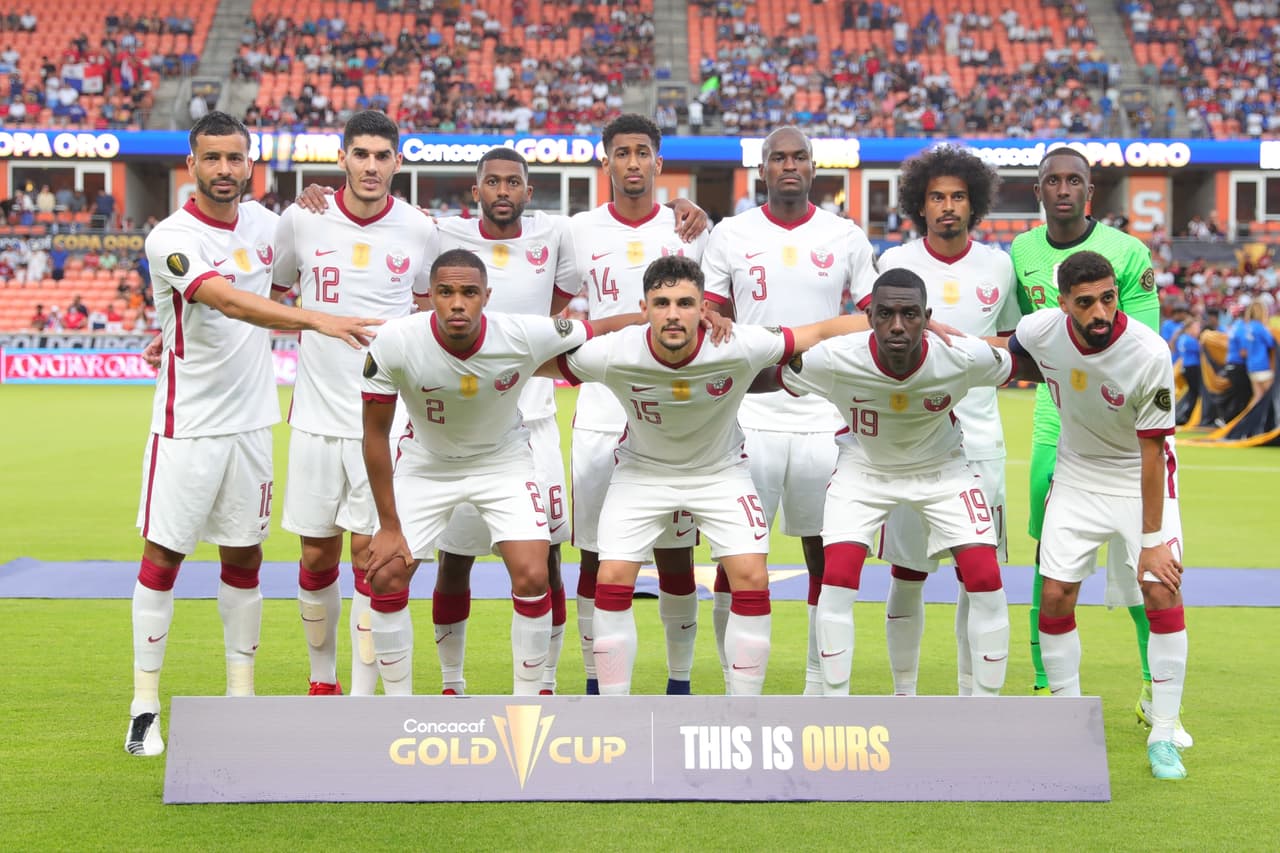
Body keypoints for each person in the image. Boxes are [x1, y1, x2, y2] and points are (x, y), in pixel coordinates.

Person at [126, 111, 380, 757]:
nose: (224, 170)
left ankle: (240, 698)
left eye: (235, 158)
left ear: (250, 164)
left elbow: (294, 264)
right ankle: (144, 705)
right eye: (212, 158)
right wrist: (316, 320)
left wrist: (316, 202)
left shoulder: (271, 225)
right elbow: (230, 300)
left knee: (244, 559)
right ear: (192, 165)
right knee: (164, 560)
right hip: (187, 428)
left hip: (254, 425)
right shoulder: (171, 236)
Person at [550, 255, 868, 695]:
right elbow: (538, 362)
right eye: (661, 303)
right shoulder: (616, 352)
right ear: (644, 309)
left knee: (752, 577)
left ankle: (744, 710)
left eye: (685, 302)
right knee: (612, 578)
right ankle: (613, 711)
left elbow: (820, 332)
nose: (673, 314)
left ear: (705, 309)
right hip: (642, 473)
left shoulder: (738, 343)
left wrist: (910, 326)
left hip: (720, 473)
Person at [359, 249, 617, 696]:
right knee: (385, 573)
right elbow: (375, 436)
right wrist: (388, 526)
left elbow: (601, 327)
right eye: (445, 292)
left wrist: (659, 315)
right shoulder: (394, 341)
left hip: (502, 461)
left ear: (486, 296)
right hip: (427, 464)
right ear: (429, 298)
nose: (457, 303)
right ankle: (398, 706)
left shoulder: (519, 332)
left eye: (469, 292)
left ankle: (529, 700)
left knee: (535, 573)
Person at [773, 267, 1036, 696]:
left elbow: (1029, 368)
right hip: (864, 470)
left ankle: (986, 713)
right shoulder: (836, 357)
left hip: (944, 469)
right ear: (869, 316)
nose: (898, 326)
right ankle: (836, 708)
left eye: (910, 314)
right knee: (836, 579)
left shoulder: (962, 354)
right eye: (886, 314)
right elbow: (764, 377)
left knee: (985, 579)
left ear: (927, 316)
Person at [1010, 146, 1190, 748]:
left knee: (1146, 566)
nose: (1063, 190)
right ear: (1038, 189)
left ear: (1091, 191)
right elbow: (1018, 343)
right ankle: (1046, 682)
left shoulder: (1128, 254)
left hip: (1120, 410)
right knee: (1047, 549)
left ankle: (1153, 689)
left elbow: (1134, 349)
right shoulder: (1023, 252)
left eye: (1074, 181)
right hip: (1057, 411)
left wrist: (1152, 537)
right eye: (1052, 181)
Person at [701, 125, 877, 694]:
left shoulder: (845, 235)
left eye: (799, 156)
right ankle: (737, 683)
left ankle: (817, 683)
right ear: (763, 169)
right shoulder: (731, 233)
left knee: (823, 557)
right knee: (736, 558)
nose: (789, 165)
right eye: (778, 158)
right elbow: (709, 310)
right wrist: (713, 318)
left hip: (823, 416)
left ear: (814, 167)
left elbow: (879, 311)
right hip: (749, 414)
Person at [271, 110, 438, 697]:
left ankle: (365, 703)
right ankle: (323, 683)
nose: (371, 166)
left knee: (376, 559)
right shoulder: (301, 218)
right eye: (360, 154)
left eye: (382, 155)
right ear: (342, 157)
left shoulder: (420, 229)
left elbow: (425, 312)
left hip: (385, 424)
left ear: (398, 161)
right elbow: (271, 297)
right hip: (316, 418)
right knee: (316, 558)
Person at [569, 115, 710, 695]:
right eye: (621, 152)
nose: (632, 162)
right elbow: (561, 314)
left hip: (674, 419)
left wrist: (684, 201)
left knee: (676, 561)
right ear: (606, 161)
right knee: (592, 557)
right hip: (601, 416)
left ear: (658, 161)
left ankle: (679, 683)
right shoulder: (577, 231)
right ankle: (594, 683)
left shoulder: (693, 230)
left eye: (642, 152)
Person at [873, 146, 1020, 696]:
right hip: (907, 443)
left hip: (979, 444)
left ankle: (970, 697)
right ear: (920, 203)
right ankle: (904, 695)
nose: (948, 206)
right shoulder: (894, 264)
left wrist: (960, 344)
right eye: (937, 196)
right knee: (907, 571)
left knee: (976, 577)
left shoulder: (999, 266)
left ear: (974, 203)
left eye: (958, 196)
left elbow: (1013, 345)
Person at [1243, 302, 1274, 406]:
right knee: (1273, 395)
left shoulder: (1247, 327)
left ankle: (1251, 421)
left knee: (1258, 397)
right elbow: (1271, 342)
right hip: (1262, 366)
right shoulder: (1260, 328)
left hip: (1251, 366)